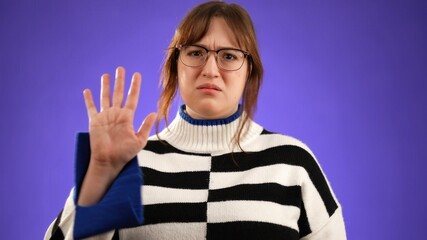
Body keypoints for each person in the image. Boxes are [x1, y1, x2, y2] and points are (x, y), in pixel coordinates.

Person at [44, 1, 346, 239]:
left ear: (249, 71)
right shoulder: (129, 163)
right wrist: (100, 173)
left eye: (228, 56)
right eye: (196, 52)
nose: (210, 69)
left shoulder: (293, 163)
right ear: (176, 66)